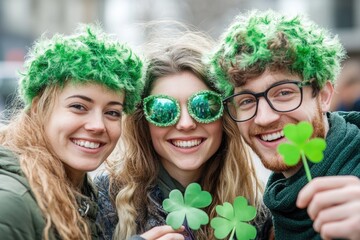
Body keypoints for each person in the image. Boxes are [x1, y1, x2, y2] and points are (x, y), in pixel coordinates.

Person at [95, 30, 269, 240]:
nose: (186, 124)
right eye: (163, 110)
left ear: (224, 116)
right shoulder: (103, 200)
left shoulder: (254, 215)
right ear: (144, 121)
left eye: (203, 106)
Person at [209, 9, 360, 240]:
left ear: (324, 96)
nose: (264, 117)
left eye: (283, 93)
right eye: (247, 101)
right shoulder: (265, 220)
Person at [0, 24, 144, 240]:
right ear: (39, 107)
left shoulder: (81, 189)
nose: (97, 125)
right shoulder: (11, 203)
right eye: (79, 106)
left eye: (112, 112)